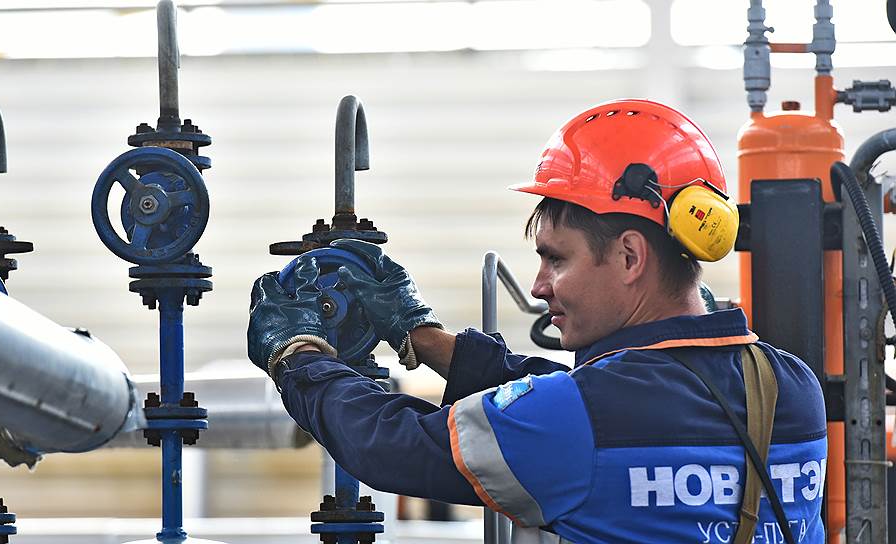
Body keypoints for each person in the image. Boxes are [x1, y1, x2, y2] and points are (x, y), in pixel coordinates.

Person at [247, 99, 827, 543]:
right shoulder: (792, 387)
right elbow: (604, 404)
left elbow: (390, 445)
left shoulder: (581, 417)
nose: (539, 286)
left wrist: (298, 355)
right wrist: (429, 340)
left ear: (630, 257)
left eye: (556, 258)